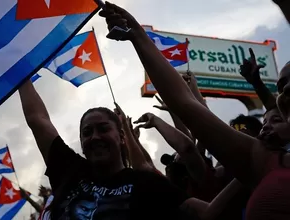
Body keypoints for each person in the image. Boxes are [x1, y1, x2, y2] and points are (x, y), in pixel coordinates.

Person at [99, 2, 290, 219]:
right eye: (282, 87)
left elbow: (189, 143)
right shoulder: (263, 162)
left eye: (274, 121)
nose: (267, 129)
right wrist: (138, 35)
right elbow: (186, 106)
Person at [18, 79, 194, 220]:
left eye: (103, 129)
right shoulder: (70, 170)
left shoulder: (148, 183)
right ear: (81, 141)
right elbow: (38, 120)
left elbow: (207, 212)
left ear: (122, 137)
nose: (95, 137)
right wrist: (18, 67)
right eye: (87, 132)